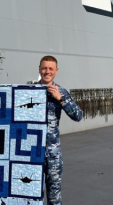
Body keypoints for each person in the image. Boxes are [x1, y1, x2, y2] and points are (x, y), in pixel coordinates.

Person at [38, 55, 83, 205]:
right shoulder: (29, 91)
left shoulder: (61, 92)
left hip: (52, 153)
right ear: (39, 69)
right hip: (31, 153)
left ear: (56, 71)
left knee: (54, 197)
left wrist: (60, 99)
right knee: (30, 195)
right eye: (44, 68)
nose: (47, 71)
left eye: (51, 68)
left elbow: (78, 116)